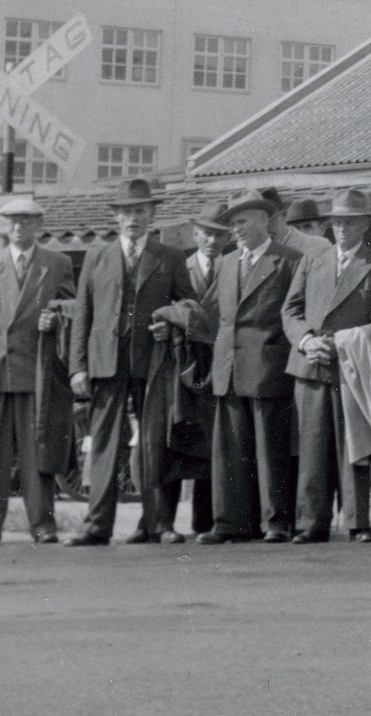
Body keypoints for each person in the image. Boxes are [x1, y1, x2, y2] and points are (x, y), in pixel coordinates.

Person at [67, 177, 193, 546]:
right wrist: (78, 366)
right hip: (105, 362)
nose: (132, 218)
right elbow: (83, 315)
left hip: (152, 362)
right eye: (126, 212)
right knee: (104, 442)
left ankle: (158, 524)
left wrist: (169, 322)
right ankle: (96, 525)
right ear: (116, 217)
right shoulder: (97, 256)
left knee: (155, 441)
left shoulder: (169, 257)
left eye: (139, 211)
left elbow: (189, 305)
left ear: (152, 215)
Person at [282, 187, 371, 544]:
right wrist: (307, 340)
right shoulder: (312, 261)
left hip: (352, 367)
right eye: (337, 222)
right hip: (311, 366)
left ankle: (357, 520)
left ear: (364, 225)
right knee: (312, 446)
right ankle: (311, 523)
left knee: (356, 445)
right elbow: (291, 310)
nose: (342, 229)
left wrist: (337, 344)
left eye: (350, 222)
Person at [0, 197, 74, 546]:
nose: (19, 228)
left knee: (39, 446)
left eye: (26, 222)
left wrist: (56, 316)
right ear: (5, 226)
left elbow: (71, 306)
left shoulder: (58, 262)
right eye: (13, 222)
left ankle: (43, 525)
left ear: (39, 225)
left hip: (38, 367)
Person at [198, 191, 300, 544]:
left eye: (242, 222)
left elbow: (295, 314)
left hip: (268, 366)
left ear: (263, 220)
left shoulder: (288, 261)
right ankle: (230, 522)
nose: (236, 229)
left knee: (269, 449)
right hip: (228, 366)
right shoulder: (227, 264)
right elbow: (211, 315)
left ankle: (277, 522)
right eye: (233, 224)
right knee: (229, 448)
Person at [153, 208, 228, 542]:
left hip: (218, 364)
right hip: (180, 365)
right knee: (175, 438)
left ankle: (205, 522)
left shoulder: (234, 269)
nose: (213, 241)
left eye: (220, 235)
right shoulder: (177, 267)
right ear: (195, 234)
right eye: (206, 234)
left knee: (211, 442)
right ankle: (164, 522)